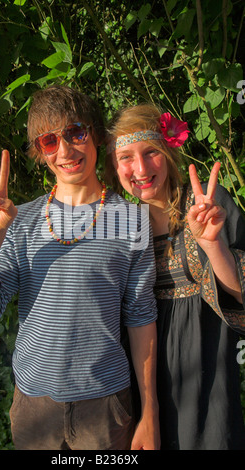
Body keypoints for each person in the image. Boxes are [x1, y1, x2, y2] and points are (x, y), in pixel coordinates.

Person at [0, 85, 160, 450]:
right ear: (40, 152)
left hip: (105, 405)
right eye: (49, 141)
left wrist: (150, 414)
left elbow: (140, 317)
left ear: (96, 135)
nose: (66, 151)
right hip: (35, 406)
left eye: (75, 132)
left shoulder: (132, 219)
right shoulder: (18, 221)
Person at [106, 102, 245, 450]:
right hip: (140, 386)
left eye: (151, 152)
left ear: (168, 153)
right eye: (126, 157)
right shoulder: (116, 224)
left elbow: (241, 298)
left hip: (208, 385)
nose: (140, 168)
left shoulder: (209, 205)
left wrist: (212, 246)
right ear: (112, 164)